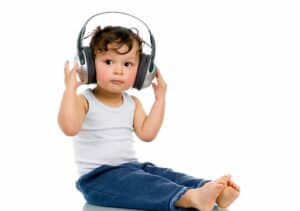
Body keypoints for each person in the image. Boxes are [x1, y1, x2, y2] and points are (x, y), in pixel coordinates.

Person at [58, 25, 240, 211]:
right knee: (146, 185)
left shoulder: (132, 103)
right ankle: (191, 197)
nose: (118, 71)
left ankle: (210, 191)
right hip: (98, 179)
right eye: (108, 62)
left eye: (127, 64)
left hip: (132, 168)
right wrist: (69, 90)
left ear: (142, 71)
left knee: (161, 175)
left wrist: (160, 99)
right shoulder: (84, 101)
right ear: (88, 64)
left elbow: (147, 133)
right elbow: (69, 127)